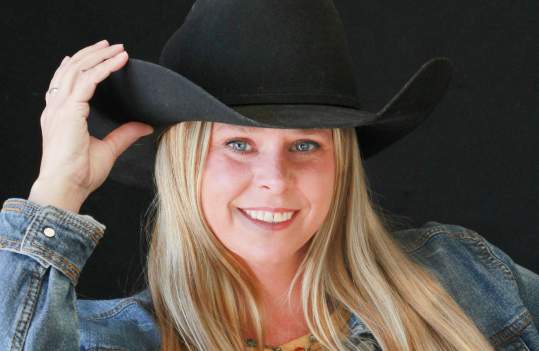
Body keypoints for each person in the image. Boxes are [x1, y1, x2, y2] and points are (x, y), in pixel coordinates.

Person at [1, 1, 538, 350]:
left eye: (306, 144)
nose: (274, 180)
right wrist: (58, 192)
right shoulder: (103, 340)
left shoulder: (466, 278)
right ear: (185, 165)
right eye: (238, 144)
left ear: (341, 166)